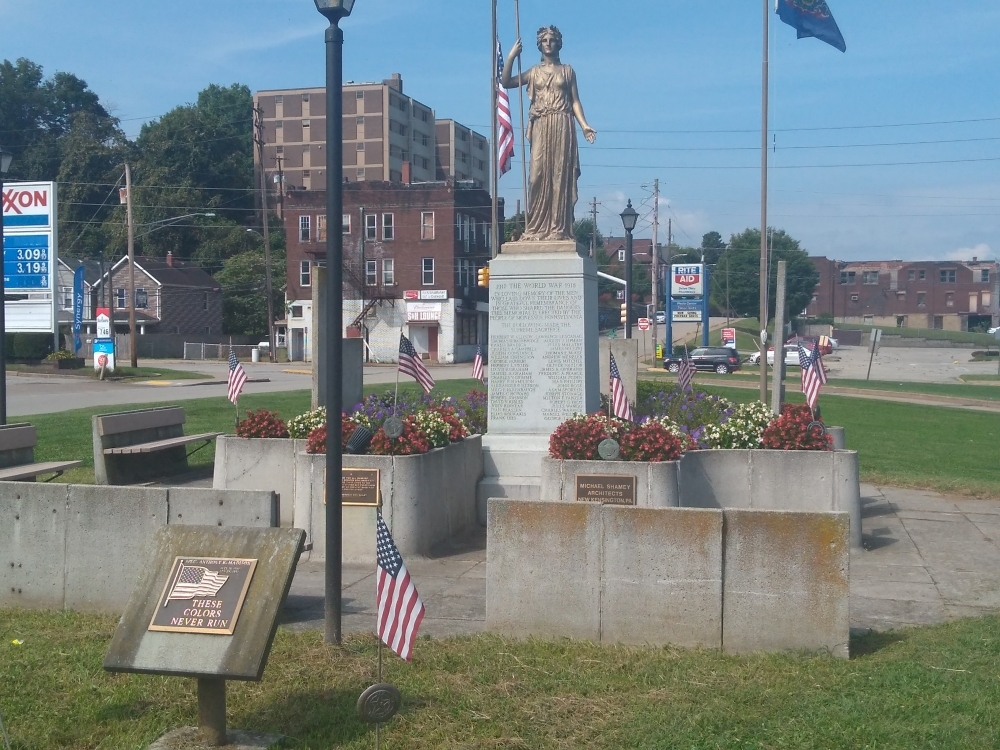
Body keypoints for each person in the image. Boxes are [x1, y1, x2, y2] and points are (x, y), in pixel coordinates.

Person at [502, 26, 596, 242]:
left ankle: (558, 227)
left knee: (559, 176)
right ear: (539, 44)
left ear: (559, 43)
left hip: (562, 123)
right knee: (536, 176)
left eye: (552, 39)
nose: (548, 43)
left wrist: (584, 125)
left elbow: (574, 101)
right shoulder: (533, 72)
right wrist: (510, 57)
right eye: (544, 40)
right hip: (541, 124)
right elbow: (506, 82)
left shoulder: (568, 71)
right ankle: (535, 228)